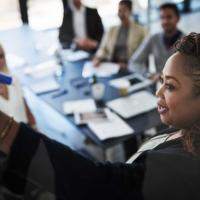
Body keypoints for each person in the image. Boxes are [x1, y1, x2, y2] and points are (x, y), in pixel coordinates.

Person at [1, 32, 200, 199]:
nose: (158, 92)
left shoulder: (185, 167)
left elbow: (97, 183)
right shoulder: (183, 128)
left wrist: (7, 129)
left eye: (171, 86)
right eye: (162, 80)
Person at [128, 3, 184, 80]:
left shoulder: (188, 42)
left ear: (178, 18)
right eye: (162, 17)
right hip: (159, 85)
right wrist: (148, 74)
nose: (165, 21)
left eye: (169, 17)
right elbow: (134, 62)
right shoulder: (153, 38)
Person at [93, 0, 146, 70]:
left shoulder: (140, 30)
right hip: (113, 65)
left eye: (124, 10)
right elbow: (103, 48)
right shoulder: (111, 30)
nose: (121, 14)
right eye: (119, 10)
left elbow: (143, 54)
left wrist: (128, 65)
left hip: (130, 67)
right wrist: (98, 58)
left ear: (130, 12)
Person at [0, 44, 36, 128]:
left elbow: (25, 106)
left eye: (0, 56)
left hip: (24, 130)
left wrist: (34, 125)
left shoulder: (13, 80)